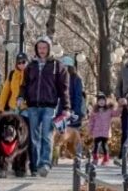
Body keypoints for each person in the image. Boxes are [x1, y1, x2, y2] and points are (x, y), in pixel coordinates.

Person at [20, 36, 69, 177]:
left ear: (49, 49)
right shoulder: (31, 66)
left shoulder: (57, 66)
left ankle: (45, 164)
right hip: (32, 105)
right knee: (33, 136)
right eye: (39, 48)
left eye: (44, 48)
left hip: (49, 105)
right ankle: (34, 165)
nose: (42, 50)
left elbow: (64, 88)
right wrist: (20, 97)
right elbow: (24, 85)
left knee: (46, 135)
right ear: (36, 49)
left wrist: (66, 107)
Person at [87, 93, 116, 165]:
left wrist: (118, 106)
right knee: (96, 145)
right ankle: (95, 159)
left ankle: (106, 160)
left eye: (103, 100)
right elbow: (91, 121)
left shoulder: (109, 110)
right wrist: (90, 129)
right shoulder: (94, 111)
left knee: (104, 145)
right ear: (97, 102)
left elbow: (116, 113)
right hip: (96, 131)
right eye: (100, 100)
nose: (101, 102)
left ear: (105, 101)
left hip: (105, 131)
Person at [63, 56, 86, 130]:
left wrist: (75, 111)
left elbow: (78, 96)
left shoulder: (76, 79)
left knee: (73, 134)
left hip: (73, 111)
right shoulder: (60, 78)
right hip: (62, 111)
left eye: (65, 66)